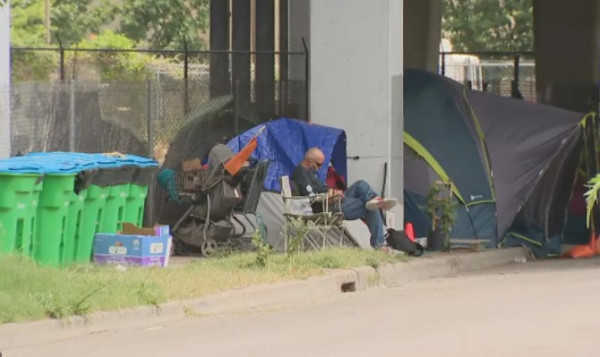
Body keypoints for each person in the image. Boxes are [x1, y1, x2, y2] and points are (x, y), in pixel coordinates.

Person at [291, 147, 397, 249]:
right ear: (310, 161)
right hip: (325, 207)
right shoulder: (301, 175)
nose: (319, 168)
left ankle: (374, 199)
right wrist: (331, 197)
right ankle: (379, 244)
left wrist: (334, 192)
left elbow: (322, 189)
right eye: (318, 165)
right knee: (368, 205)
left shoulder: (310, 172)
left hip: (331, 200)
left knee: (361, 185)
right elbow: (312, 200)